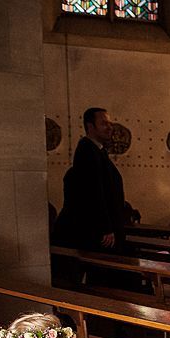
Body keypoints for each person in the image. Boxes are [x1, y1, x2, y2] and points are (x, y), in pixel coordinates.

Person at [52, 107, 126, 253]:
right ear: (90, 126)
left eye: (110, 124)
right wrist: (105, 227)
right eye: (104, 124)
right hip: (97, 231)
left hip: (103, 228)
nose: (110, 128)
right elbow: (93, 191)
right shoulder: (87, 151)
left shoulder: (98, 151)